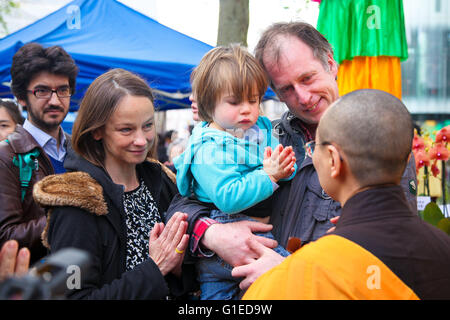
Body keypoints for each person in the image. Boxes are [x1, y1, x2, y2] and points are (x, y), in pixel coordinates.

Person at [192, 22, 418, 274]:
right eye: (287, 89)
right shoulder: (256, 136)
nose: (303, 97)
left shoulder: (378, 137)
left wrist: (289, 271)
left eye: (307, 78)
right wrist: (211, 233)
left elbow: (395, 243)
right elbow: (187, 199)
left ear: (331, 64)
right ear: (276, 94)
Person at [239, 89, 450, 300]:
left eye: (314, 147)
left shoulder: (296, 278)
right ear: (406, 160)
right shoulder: (443, 249)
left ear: (333, 159)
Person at [33, 68, 193, 299]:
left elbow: (184, 274)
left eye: (147, 126)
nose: (141, 140)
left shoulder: (161, 179)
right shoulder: (77, 202)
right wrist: (155, 268)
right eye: (126, 129)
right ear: (98, 131)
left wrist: (181, 270)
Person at [173, 44, 296, 299]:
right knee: (296, 275)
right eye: (234, 101)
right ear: (208, 102)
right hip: (226, 236)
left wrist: (282, 168)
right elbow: (228, 198)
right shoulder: (208, 149)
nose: (246, 109)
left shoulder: (259, 126)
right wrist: (270, 176)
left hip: (251, 229)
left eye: (253, 100)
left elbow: (283, 166)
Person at [0, 43, 78, 264]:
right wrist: (67, 215)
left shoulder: (82, 150)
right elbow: (6, 237)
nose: (55, 100)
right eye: (42, 91)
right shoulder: (7, 157)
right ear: (21, 97)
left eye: (62, 90)